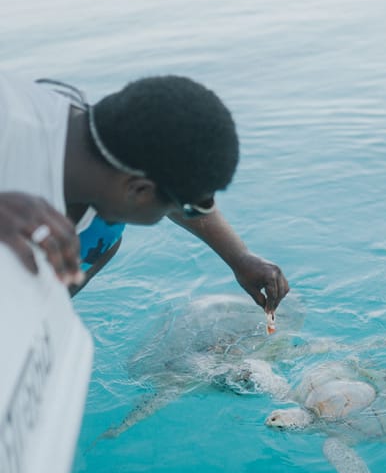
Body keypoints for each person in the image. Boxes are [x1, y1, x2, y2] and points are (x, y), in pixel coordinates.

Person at [0, 73, 289, 313]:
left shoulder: (99, 138)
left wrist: (239, 257)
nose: (187, 212)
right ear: (139, 190)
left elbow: (166, 181)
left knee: (103, 237)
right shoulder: (11, 123)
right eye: (189, 206)